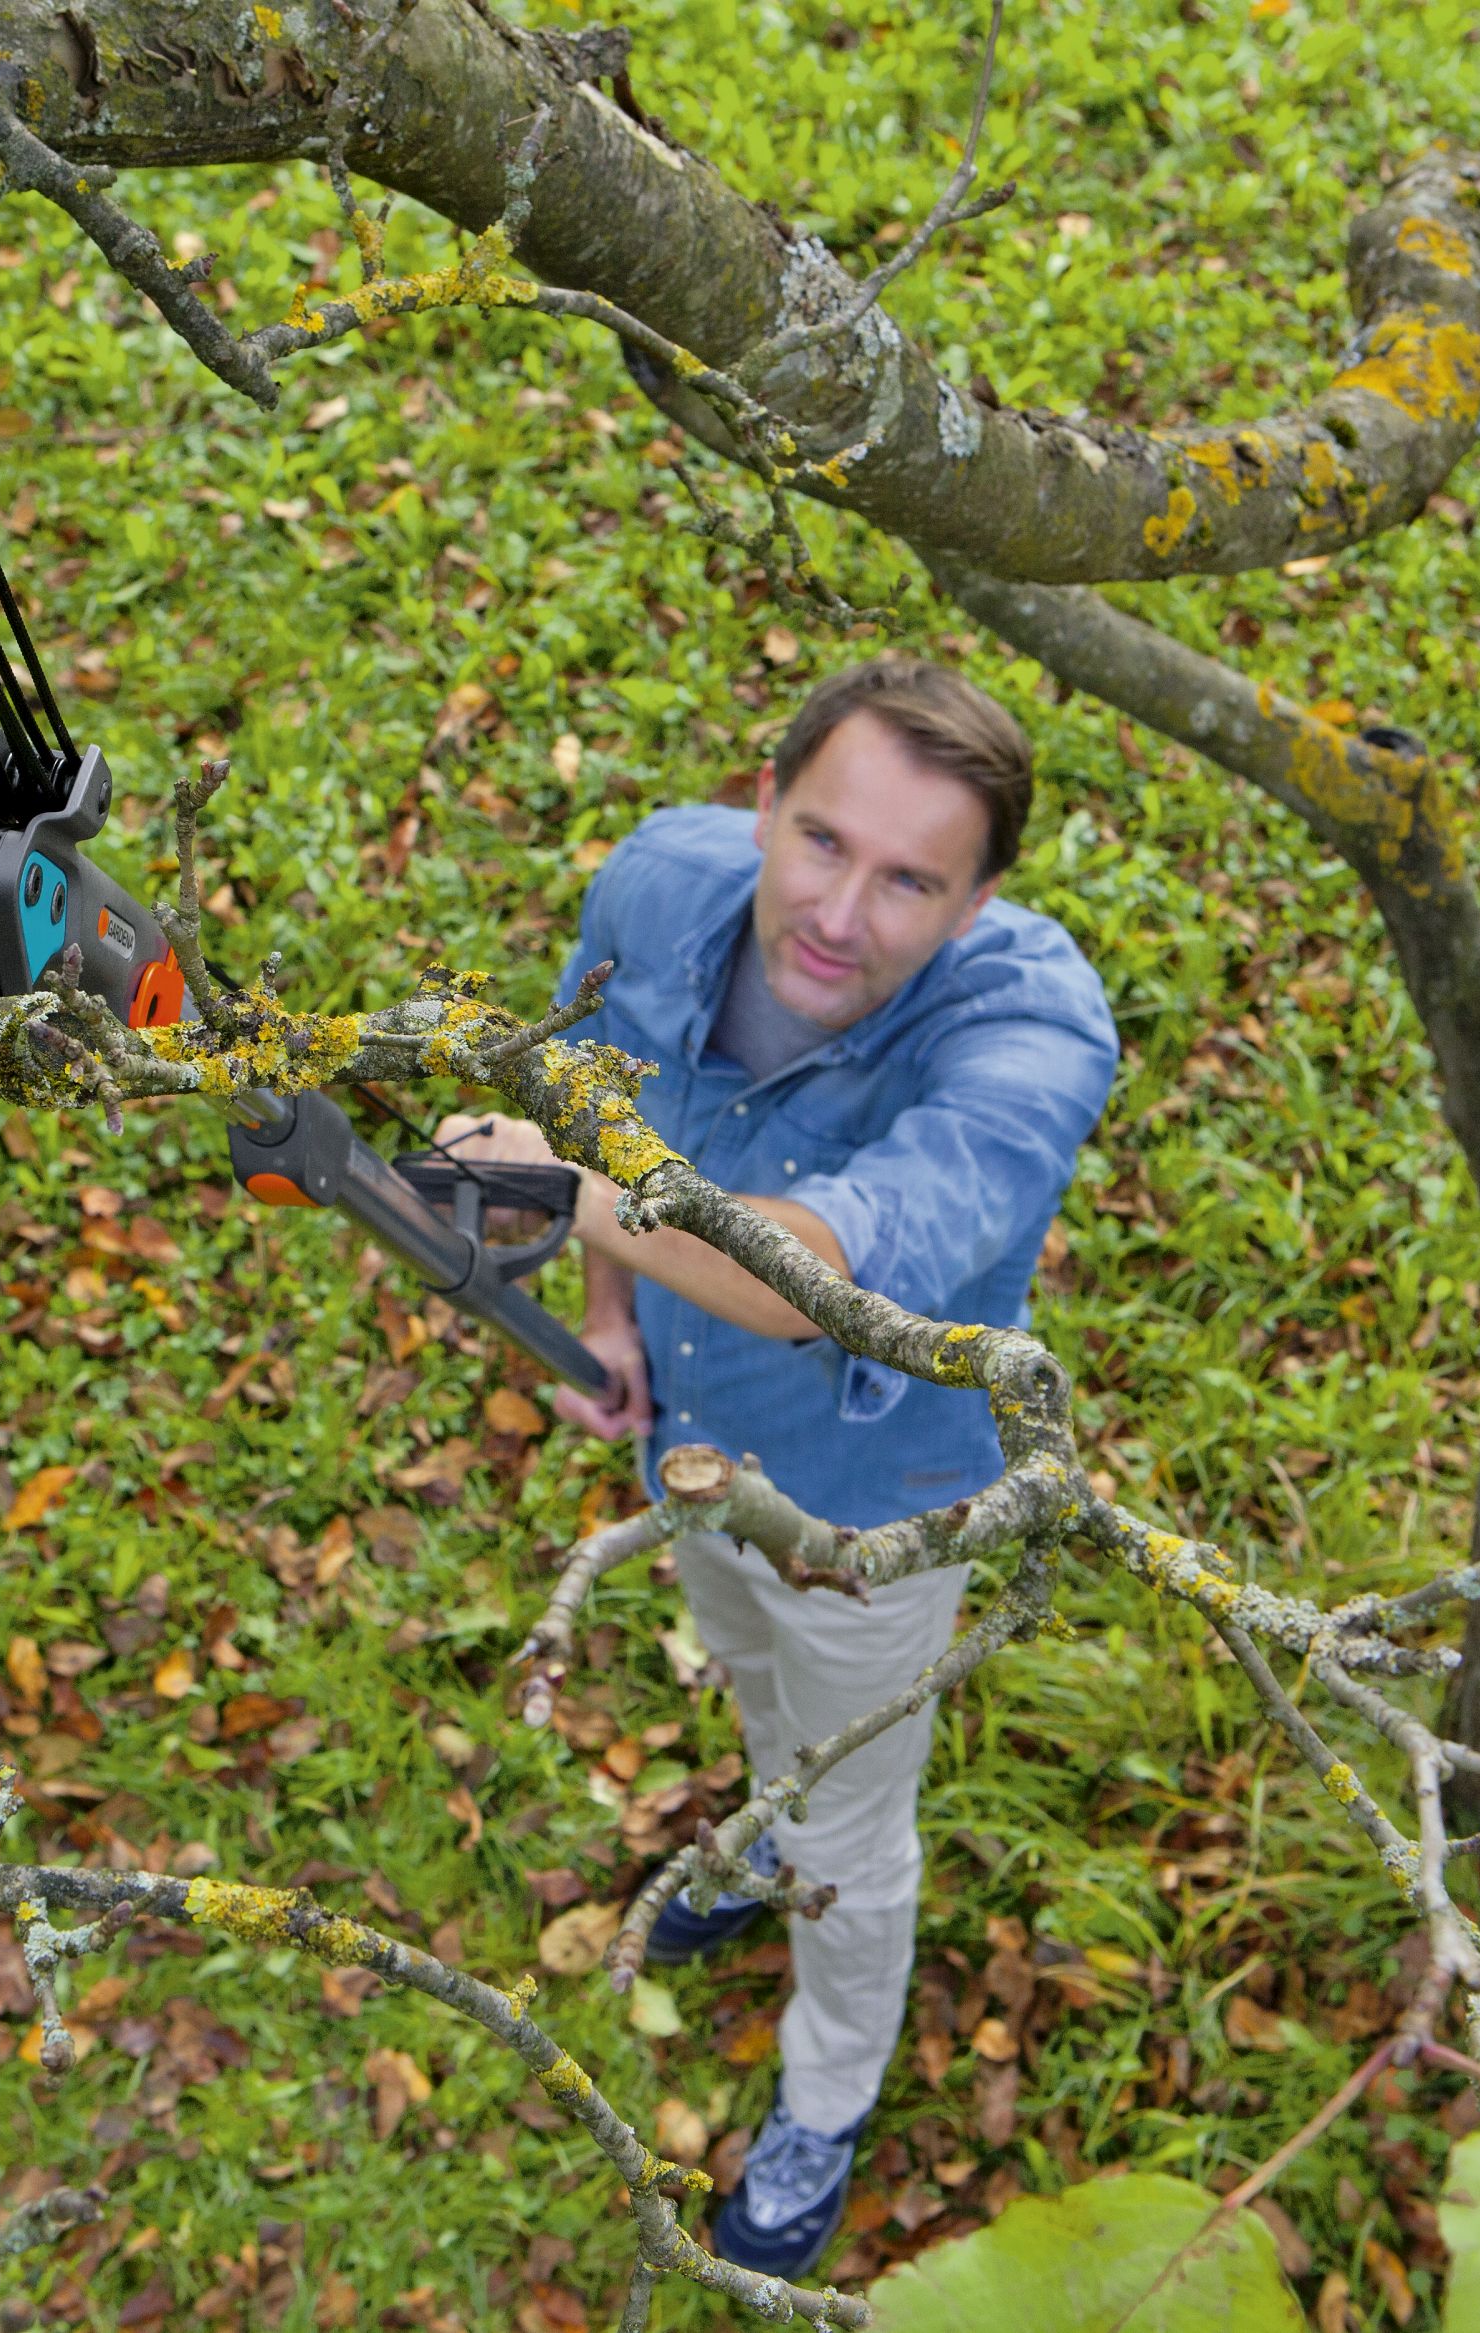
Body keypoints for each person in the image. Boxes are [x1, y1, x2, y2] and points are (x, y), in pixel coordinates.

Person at [437, 654, 1116, 2276]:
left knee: (856, 1822)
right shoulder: (661, 886)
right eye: (820, 841)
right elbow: (600, 1105)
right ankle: (753, 1835)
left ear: (975, 903)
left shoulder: (1028, 1042)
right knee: (746, 1670)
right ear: (763, 800)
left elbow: (812, 1276)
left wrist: (550, 1195)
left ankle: (825, 2091)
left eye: (909, 882)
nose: (837, 912)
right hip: (691, 1440)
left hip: (871, 1505)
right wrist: (608, 1311)